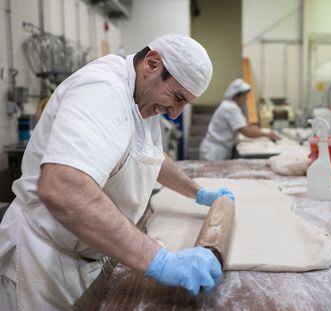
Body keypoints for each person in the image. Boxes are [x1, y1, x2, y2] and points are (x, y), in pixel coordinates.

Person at [0, 34, 235, 310]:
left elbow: (151, 156)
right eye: (177, 97)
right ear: (152, 63)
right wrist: (159, 260)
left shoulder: (142, 100)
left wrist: (199, 193)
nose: (174, 114)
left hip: (86, 253)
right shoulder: (102, 90)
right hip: (43, 263)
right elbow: (62, 187)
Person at [200, 78, 279, 160]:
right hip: (214, 152)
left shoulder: (230, 106)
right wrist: (266, 134)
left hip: (218, 149)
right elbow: (246, 132)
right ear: (237, 96)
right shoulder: (230, 108)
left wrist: (255, 129)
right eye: (245, 96)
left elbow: (244, 126)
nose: (246, 99)